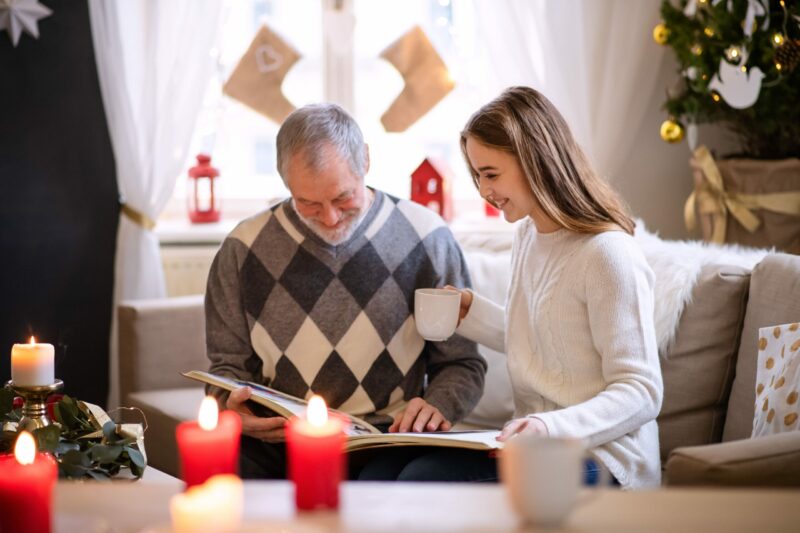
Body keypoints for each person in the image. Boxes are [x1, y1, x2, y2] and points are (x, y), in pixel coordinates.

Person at [204, 103, 486, 479]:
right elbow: (226, 370)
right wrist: (229, 408)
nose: (330, 217)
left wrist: (437, 406)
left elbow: (463, 363)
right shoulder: (242, 249)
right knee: (223, 469)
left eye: (342, 198)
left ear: (366, 160)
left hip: (389, 440)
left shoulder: (427, 237)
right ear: (284, 180)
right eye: (308, 202)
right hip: (281, 441)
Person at [445, 86, 663, 489]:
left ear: (534, 160)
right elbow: (552, 343)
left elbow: (642, 390)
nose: (483, 192)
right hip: (540, 448)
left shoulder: (608, 254)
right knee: (392, 474)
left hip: (608, 457)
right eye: (477, 176)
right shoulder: (529, 236)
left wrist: (548, 427)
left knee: (424, 483)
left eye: (491, 174)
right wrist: (471, 313)